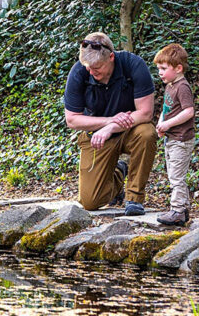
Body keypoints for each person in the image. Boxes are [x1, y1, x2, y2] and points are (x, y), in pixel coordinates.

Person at [64, 32, 157, 215]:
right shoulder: (79, 72)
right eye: (88, 67)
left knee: (147, 133)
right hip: (97, 136)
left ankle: (134, 198)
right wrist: (109, 121)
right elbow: (72, 119)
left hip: (131, 130)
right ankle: (118, 174)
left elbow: (145, 113)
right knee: (90, 202)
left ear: (111, 57)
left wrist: (112, 127)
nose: (91, 72)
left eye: (96, 67)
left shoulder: (133, 65)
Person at [153, 44, 195, 226]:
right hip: (171, 138)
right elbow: (167, 108)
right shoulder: (170, 85)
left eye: (163, 68)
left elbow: (189, 112)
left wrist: (168, 123)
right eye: (158, 69)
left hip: (181, 139)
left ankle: (177, 210)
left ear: (178, 68)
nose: (160, 73)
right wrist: (161, 123)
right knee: (173, 174)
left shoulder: (182, 87)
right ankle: (183, 210)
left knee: (176, 177)